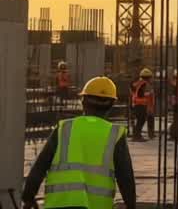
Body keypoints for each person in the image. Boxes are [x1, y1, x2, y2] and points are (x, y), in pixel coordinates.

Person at [23, 76, 136, 209]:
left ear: (83, 101)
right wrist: (131, 205)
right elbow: (125, 177)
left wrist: (28, 196)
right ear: (111, 105)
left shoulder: (65, 128)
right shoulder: (114, 134)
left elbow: (40, 165)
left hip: (59, 203)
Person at [129, 68, 156, 141]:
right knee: (141, 120)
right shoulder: (145, 84)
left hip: (136, 104)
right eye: (150, 77)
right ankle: (137, 136)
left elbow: (133, 93)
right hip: (142, 104)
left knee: (140, 120)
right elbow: (145, 95)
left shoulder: (138, 83)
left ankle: (137, 135)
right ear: (148, 77)